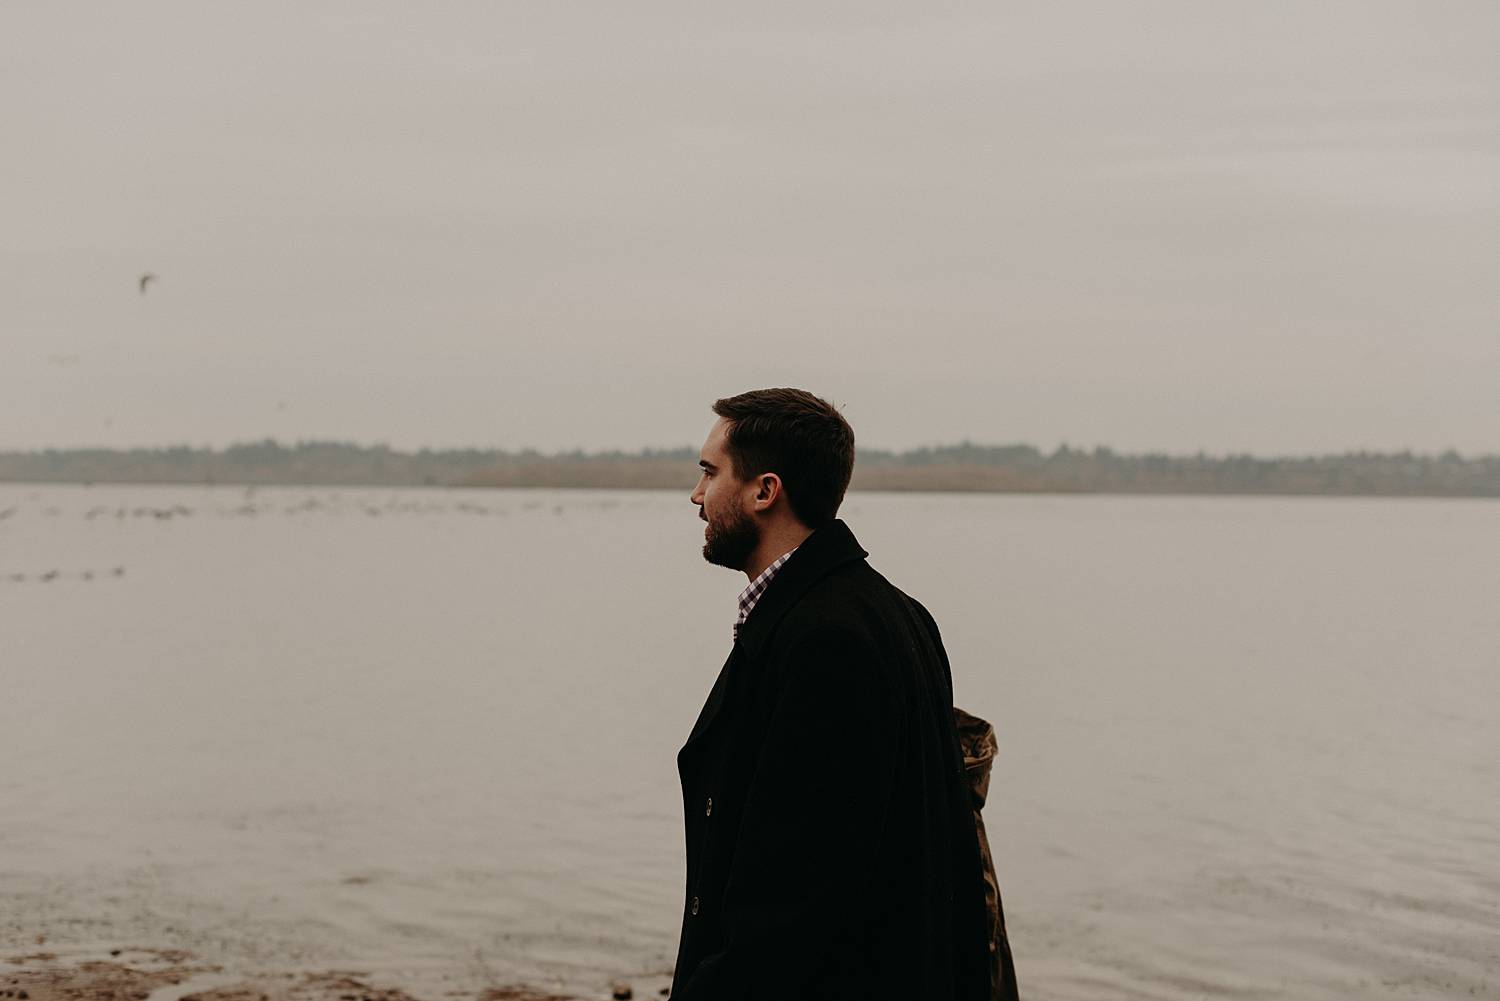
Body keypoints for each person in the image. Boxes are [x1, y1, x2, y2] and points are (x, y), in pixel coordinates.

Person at [672, 388, 1018, 1000]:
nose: (697, 496)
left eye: (709, 472)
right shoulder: (896, 612)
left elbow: (798, 897)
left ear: (764, 490)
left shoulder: (826, 639)